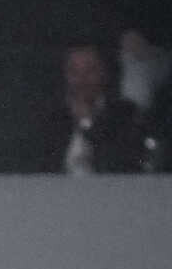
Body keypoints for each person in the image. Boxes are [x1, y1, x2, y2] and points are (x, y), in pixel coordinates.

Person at [35, 45, 151, 174]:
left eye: (90, 70)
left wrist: (88, 122)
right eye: (74, 71)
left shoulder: (124, 114)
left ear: (104, 73)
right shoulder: (51, 117)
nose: (82, 79)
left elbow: (119, 163)